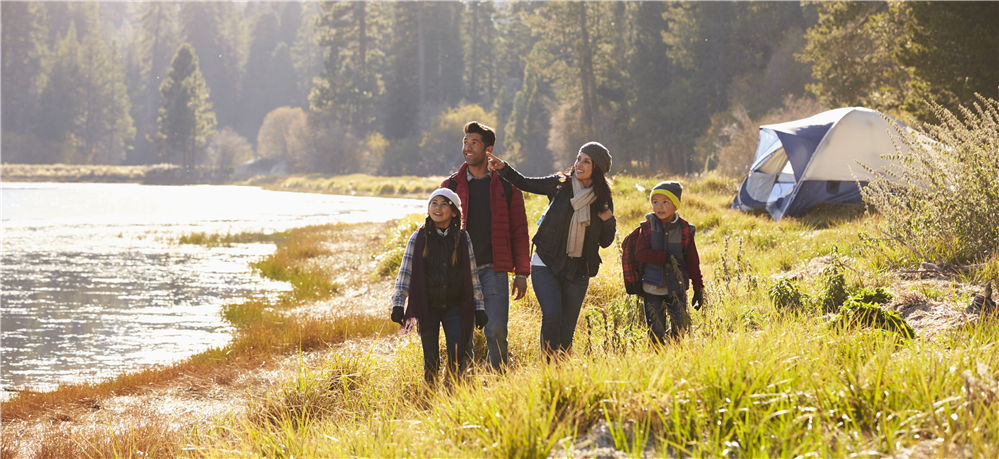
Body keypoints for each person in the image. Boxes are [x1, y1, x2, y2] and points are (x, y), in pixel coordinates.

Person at [487, 142, 616, 358]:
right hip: (545, 262)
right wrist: (504, 168)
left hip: (578, 270)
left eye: (586, 161)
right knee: (552, 315)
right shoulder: (560, 184)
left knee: (566, 333)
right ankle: (548, 370)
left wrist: (609, 222)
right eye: (578, 158)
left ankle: (560, 373)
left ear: (598, 168)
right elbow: (525, 183)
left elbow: (605, 242)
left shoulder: (603, 199)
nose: (579, 164)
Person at [441, 121, 530, 370]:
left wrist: (522, 273)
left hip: (494, 269)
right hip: (460, 271)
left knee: (497, 329)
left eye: (474, 143)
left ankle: (498, 379)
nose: (467, 148)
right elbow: (438, 233)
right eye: (465, 142)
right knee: (462, 333)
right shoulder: (450, 187)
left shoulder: (507, 188)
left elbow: (520, 232)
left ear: (488, 149)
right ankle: (461, 383)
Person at [391, 188, 487, 384]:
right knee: (431, 359)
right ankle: (430, 394)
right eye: (434, 203)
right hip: (428, 308)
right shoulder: (418, 238)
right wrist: (398, 304)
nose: (438, 208)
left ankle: (450, 384)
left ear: (454, 212)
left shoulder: (463, 238)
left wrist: (479, 307)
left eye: (444, 204)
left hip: (455, 305)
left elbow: (472, 274)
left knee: (458, 351)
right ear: (428, 209)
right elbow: (405, 271)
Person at [633, 181, 705, 343]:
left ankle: (675, 357)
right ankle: (657, 360)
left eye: (665, 202)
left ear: (676, 205)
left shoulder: (685, 229)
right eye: (655, 202)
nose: (659, 206)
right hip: (652, 288)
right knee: (655, 329)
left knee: (680, 326)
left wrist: (698, 287)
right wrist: (664, 257)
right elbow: (640, 254)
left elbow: (692, 261)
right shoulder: (647, 228)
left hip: (676, 288)